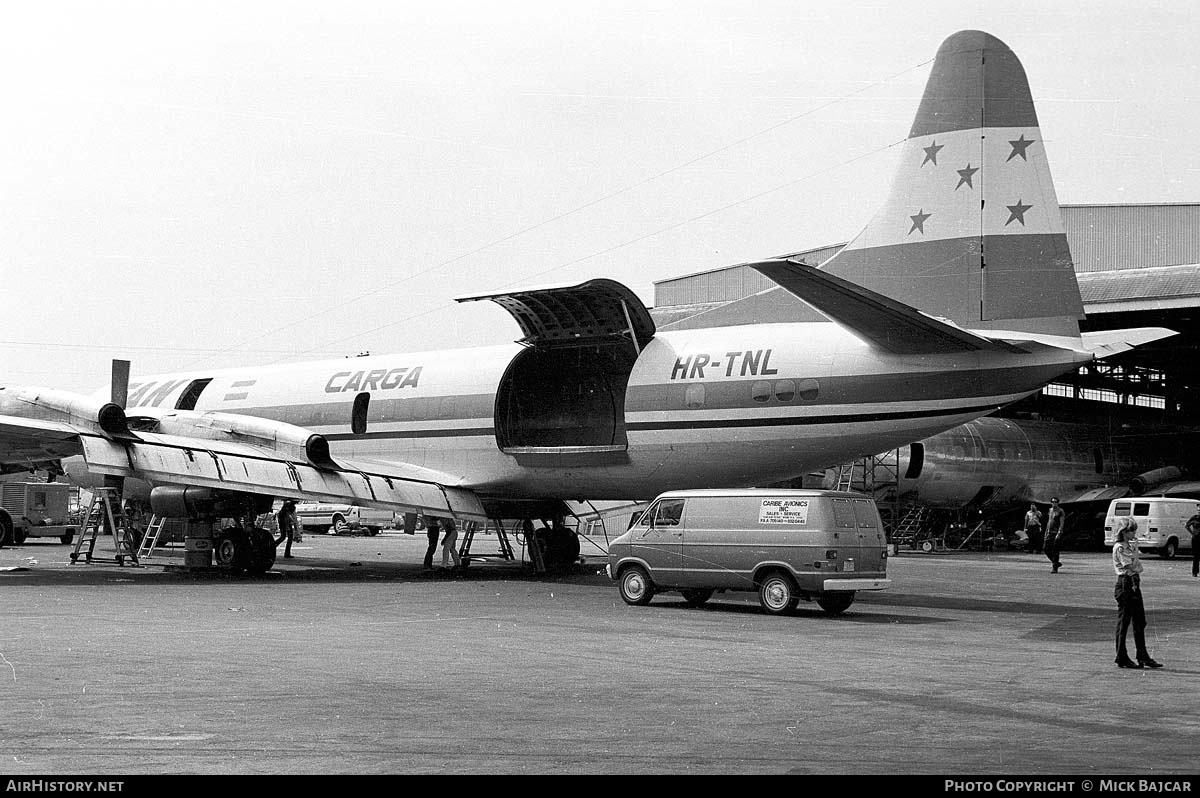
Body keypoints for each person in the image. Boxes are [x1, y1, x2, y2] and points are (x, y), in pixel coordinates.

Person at [1111, 516, 1163, 669]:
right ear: (1124, 532)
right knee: (1124, 622)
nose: (1134, 533)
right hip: (1126, 583)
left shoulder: (1129, 546)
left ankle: (1143, 655)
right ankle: (1121, 656)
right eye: (1132, 530)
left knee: (1140, 621)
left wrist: (1134, 553)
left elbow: (1138, 566)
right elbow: (1131, 566)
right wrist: (1135, 554)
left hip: (1134, 582)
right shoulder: (1120, 547)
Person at [1044, 497, 1065, 573]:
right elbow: (1049, 522)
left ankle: (1054, 567)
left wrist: (1059, 533)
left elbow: (1062, 523)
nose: (1054, 503)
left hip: (1056, 532)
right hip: (1049, 532)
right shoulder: (1050, 510)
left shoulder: (1060, 511)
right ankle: (1055, 562)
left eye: (1055, 502)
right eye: (1052, 502)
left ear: (1058, 503)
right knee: (1045, 548)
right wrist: (1046, 532)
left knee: (1055, 550)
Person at [1186, 504, 1200, 578]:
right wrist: (1192, 533)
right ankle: (1195, 572)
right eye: (1198, 510)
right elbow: (1187, 525)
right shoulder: (1194, 518)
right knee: (1196, 556)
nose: (1199, 511)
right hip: (1196, 538)